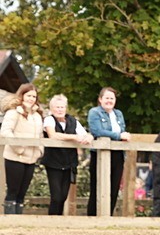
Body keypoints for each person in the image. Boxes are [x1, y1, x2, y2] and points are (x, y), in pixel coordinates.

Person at [42, 94, 93, 215]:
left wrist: (89, 137)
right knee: (56, 196)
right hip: (53, 162)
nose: (60, 109)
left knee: (63, 196)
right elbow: (53, 135)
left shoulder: (73, 121)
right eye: (57, 107)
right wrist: (74, 137)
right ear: (52, 108)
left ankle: (59, 220)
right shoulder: (49, 120)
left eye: (62, 107)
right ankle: (51, 220)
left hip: (69, 162)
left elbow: (85, 134)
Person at [1, 83, 45, 214]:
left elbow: (40, 135)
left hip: (31, 158)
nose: (31, 99)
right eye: (29, 95)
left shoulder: (37, 115)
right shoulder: (13, 112)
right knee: (13, 191)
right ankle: (10, 219)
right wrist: (20, 149)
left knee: (22, 192)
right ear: (22, 95)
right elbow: (5, 132)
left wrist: (40, 151)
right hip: (15, 157)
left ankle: (19, 219)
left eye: (34, 96)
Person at [87, 87, 130, 216]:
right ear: (100, 99)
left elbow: (123, 130)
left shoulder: (118, 114)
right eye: (107, 98)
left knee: (114, 188)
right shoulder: (94, 112)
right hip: (99, 153)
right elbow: (97, 131)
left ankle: (108, 217)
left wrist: (123, 136)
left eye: (112, 98)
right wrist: (119, 136)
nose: (109, 101)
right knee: (97, 188)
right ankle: (92, 218)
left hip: (118, 153)